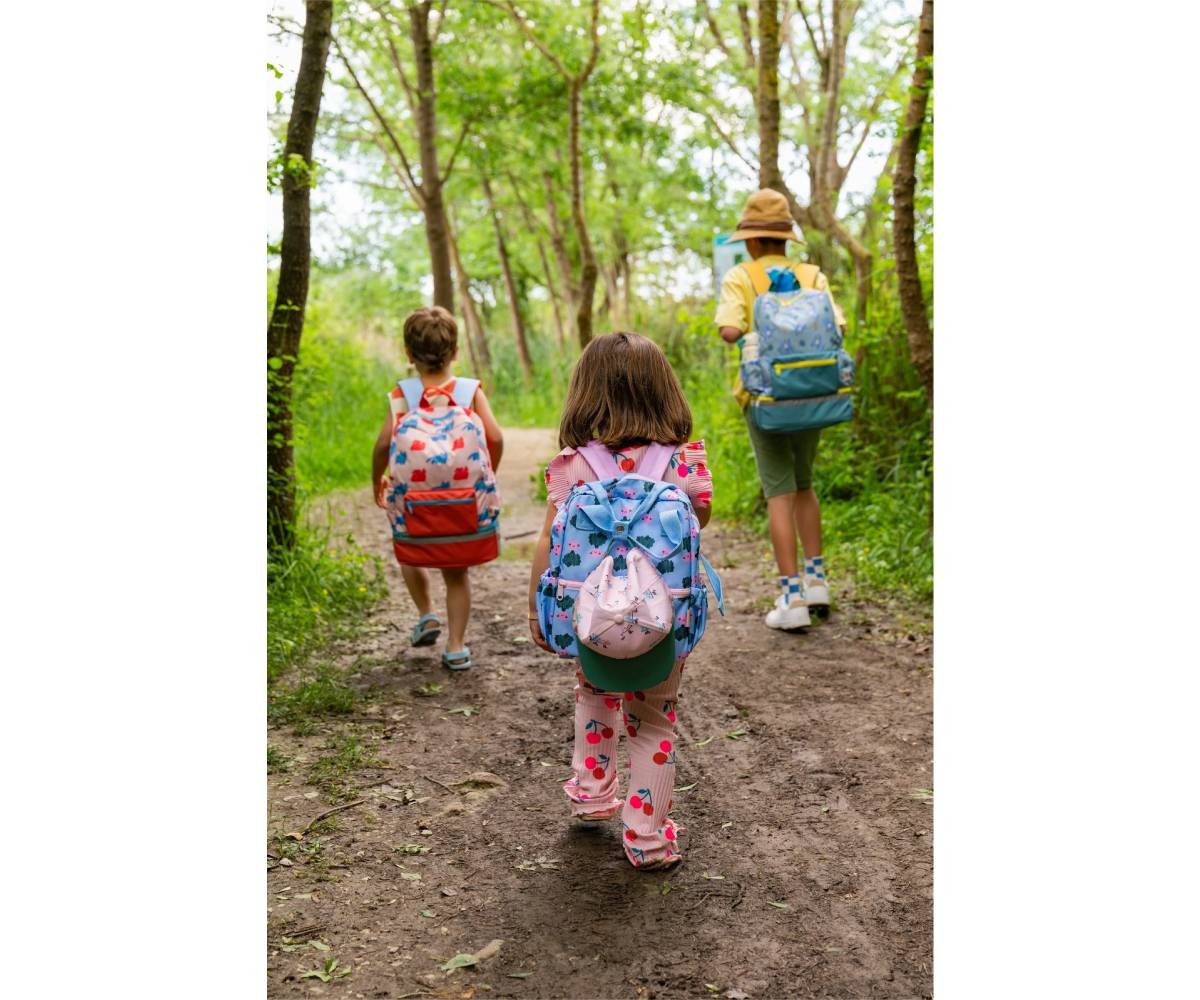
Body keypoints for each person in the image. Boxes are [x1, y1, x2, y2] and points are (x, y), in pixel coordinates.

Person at [527, 333, 714, 871]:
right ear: (664, 392)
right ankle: (647, 839)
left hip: (592, 620)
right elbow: (699, 521)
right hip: (664, 621)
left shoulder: (573, 466)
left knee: (594, 695)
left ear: (585, 392)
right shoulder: (683, 462)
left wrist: (538, 605)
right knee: (654, 719)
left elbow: (547, 539)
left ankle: (592, 795)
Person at [714, 188, 846, 630]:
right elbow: (838, 326)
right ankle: (817, 581)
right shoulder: (812, 275)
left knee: (779, 491)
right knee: (805, 484)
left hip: (766, 399)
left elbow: (730, 330)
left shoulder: (741, 277)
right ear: (787, 238)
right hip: (814, 394)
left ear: (750, 240)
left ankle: (791, 599)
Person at [371, 306, 504, 670]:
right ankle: (456, 646)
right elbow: (494, 436)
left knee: (408, 550)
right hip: (462, 500)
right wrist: (486, 472)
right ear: (456, 352)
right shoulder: (469, 391)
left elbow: (384, 445)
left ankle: (426, 613)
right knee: (456, 572)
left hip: (414, 502)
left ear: (409, 354)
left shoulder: (403, 394)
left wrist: (377, 481)